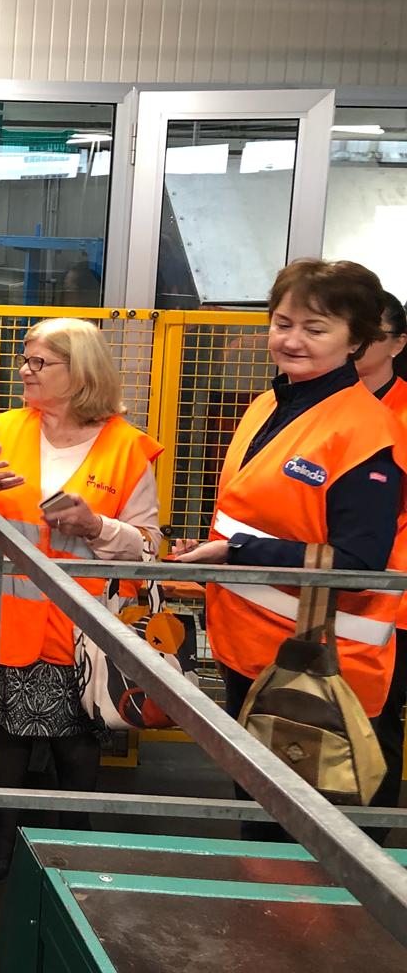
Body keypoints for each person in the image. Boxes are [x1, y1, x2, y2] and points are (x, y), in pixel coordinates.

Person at [173, 260, 407, 834]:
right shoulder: (269, 405)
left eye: (315, 328)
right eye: (283, 323)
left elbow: (359, 562)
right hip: (248, 648)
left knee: (320, 834)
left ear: (356, 340)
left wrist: (237, 553)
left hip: (324, 665)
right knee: (260, 813)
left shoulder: (366, 432)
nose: (292, 340)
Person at [0, 317, 162, 880]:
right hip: (7, 625)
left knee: (77, 750)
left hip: (83, 633)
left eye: (39, 362)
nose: (24, 371)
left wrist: (96, 526)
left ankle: (75, 856)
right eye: (24, 360)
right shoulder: (7, 429)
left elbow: (149, 546)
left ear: (81, 372)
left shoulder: (128, 448)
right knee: (1, 747)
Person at [363, 290, 407, 807]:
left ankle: (368, 841)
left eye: (371, 334)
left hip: (391, 601)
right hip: (313, 589)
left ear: (398, 344)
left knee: (377, 724)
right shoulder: (309, 407)